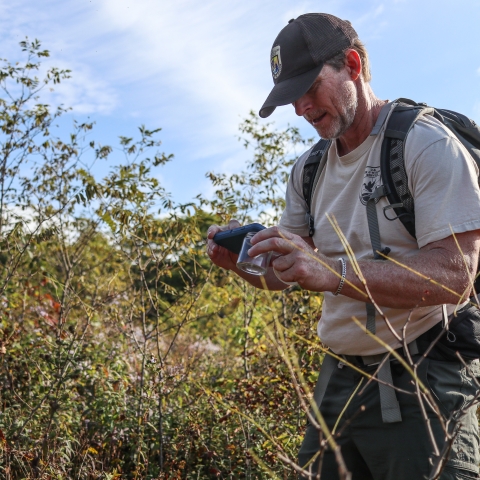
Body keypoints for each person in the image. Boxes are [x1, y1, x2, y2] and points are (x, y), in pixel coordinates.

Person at [206, 12, 480, 480]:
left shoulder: (424, 144)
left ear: (353, 65)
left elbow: (455, 276)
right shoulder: (308, 171)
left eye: (310, 89)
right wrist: (242, 264)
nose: (302, 109)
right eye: (292, 98)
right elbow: (289, 273)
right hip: (339, 380)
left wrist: (333, 273)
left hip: (422, 373)